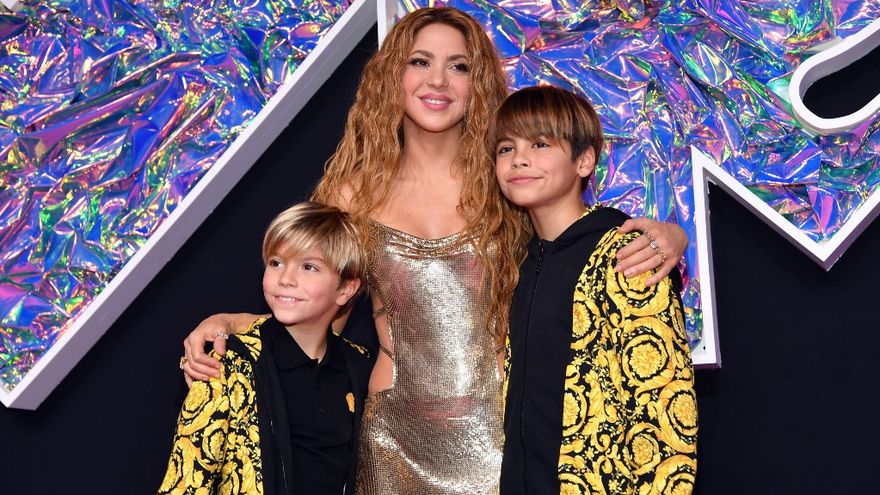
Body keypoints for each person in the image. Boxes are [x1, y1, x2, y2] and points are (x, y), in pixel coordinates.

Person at [179, 7, 689, 494]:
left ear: (479, 82)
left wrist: (670, 235)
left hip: (500, 436)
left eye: (458, 67)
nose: (438, 81)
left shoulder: (509, 179)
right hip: (390, 444)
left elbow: (574, 244)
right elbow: (318, 324)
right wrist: (230, 322)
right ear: (392, 76)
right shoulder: (351, 195)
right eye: (420, 62)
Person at [492, 86, 697, 494]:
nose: (519, 158)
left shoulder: (628, 255)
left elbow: (664, 408)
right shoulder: (517, 264)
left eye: (539, 143)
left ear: (584, 160)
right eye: (505, 148)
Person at [159, 202, 373, 494]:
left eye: (308, 267)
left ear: (346, 288)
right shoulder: (228, 365)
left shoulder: (358, 365)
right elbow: (184, 484)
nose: (286, 279)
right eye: (276, 262)